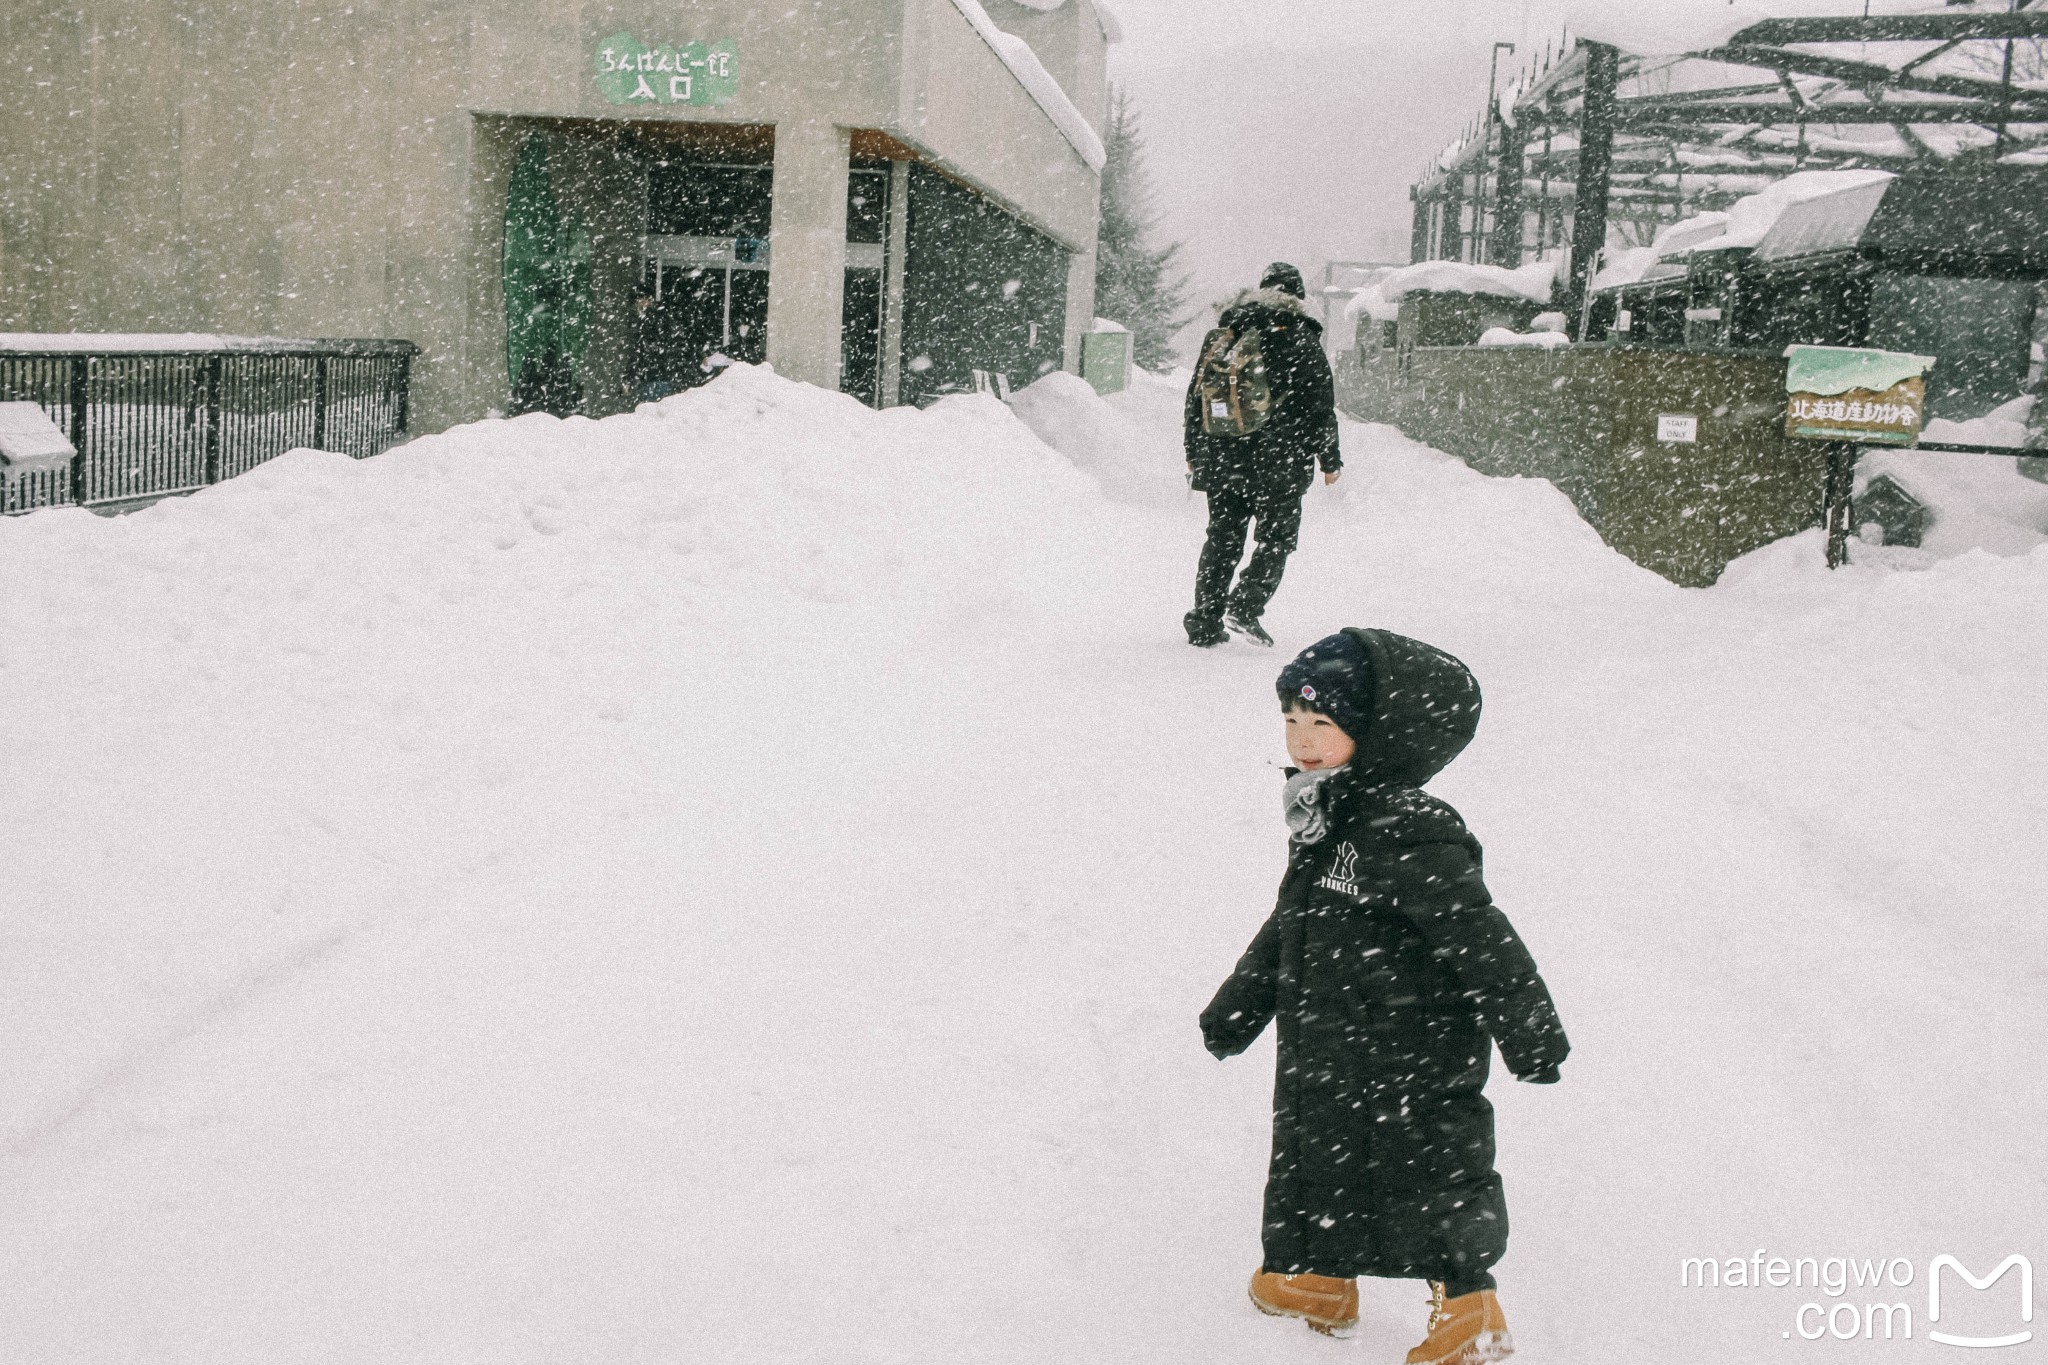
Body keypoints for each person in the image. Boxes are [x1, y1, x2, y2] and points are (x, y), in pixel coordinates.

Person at [1200, 629, 1569, 1363]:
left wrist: (1530, 1029)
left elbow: (1479, 934)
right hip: (1333, 1036)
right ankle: (1323, 1280)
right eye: (1293, 721)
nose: (1302, 741)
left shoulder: (1410, 827)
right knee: (1324, 1159)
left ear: (1377, 733)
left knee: (1427, 1170)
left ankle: (1470, 1306)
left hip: (1411, 1047)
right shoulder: (1324, 815)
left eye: (1323, 725)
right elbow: (1293, 920)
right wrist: (1238, 1005)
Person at [1183, 263, 1342, 648]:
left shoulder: (1227, 334)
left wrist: (1194, 451)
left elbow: (1196, 397)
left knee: (1222, 540)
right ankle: (1246, 606)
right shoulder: (1301, 339)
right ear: (1298, 298)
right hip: (1280, 462)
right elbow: (1319, 407)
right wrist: (1329, 460)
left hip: (1223, 457)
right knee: (1276, 540)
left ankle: (1204, 621)